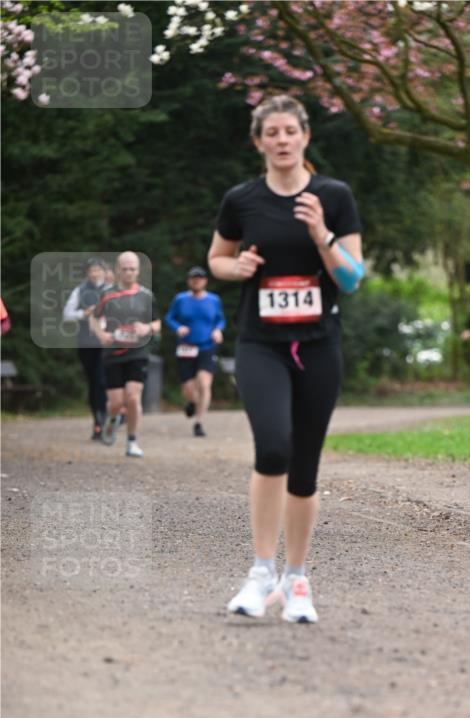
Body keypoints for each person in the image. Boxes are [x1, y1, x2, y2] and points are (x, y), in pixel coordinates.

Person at [208, 95, 364, 623]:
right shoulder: (241, 199)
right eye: (270, 132)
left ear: (305, 137)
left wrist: (322, 234)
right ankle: (260, 573)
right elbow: (217, 260)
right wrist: (239, 268)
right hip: (260, 344)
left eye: (289, 131)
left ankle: (297, 581)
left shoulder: (334, 196)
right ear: (258, 142)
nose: (280, 140)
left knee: (305, 466)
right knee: (273, 446)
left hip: (319, 345)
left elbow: (352, 278)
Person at [89, 251, 161, 458]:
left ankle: (132, 442)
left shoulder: (146, 295)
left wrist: (147, 328)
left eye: (133, 269)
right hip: (113, 353)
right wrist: (102, 334)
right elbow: (93, 319)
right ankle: (113, 419)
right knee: (117, 402)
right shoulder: (107, 294)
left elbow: (157, 322)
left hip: (138, 352)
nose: (129, 272)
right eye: (125, 269)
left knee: (133, 396)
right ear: (118, 270)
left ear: (138, 271)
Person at [164, 265, 225, 437]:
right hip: (186, 347)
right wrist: (178, 327)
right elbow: (169, 317)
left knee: (204, 383)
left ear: (205, 281)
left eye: (199, 278)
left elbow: (220, 320)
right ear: (189, 281)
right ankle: (192, 401)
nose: (196, 281)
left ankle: (199, 422)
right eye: (193, 278)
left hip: (207, 345)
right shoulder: (180, 299)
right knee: (188, 388)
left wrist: (218, 330)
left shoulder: (214, 300)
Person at [62, 258, 109, 440]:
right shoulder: (80, 291)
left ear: (104, 272)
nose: (95, 273)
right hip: (86, 343)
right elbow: (67, 315)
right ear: (87, 273)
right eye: (92, 270)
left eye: (98, 270)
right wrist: (84, 313)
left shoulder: (111, 290)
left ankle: (105, 419)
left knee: (103, 381)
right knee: (94, 381)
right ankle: (97, 420)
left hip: (107, 343)